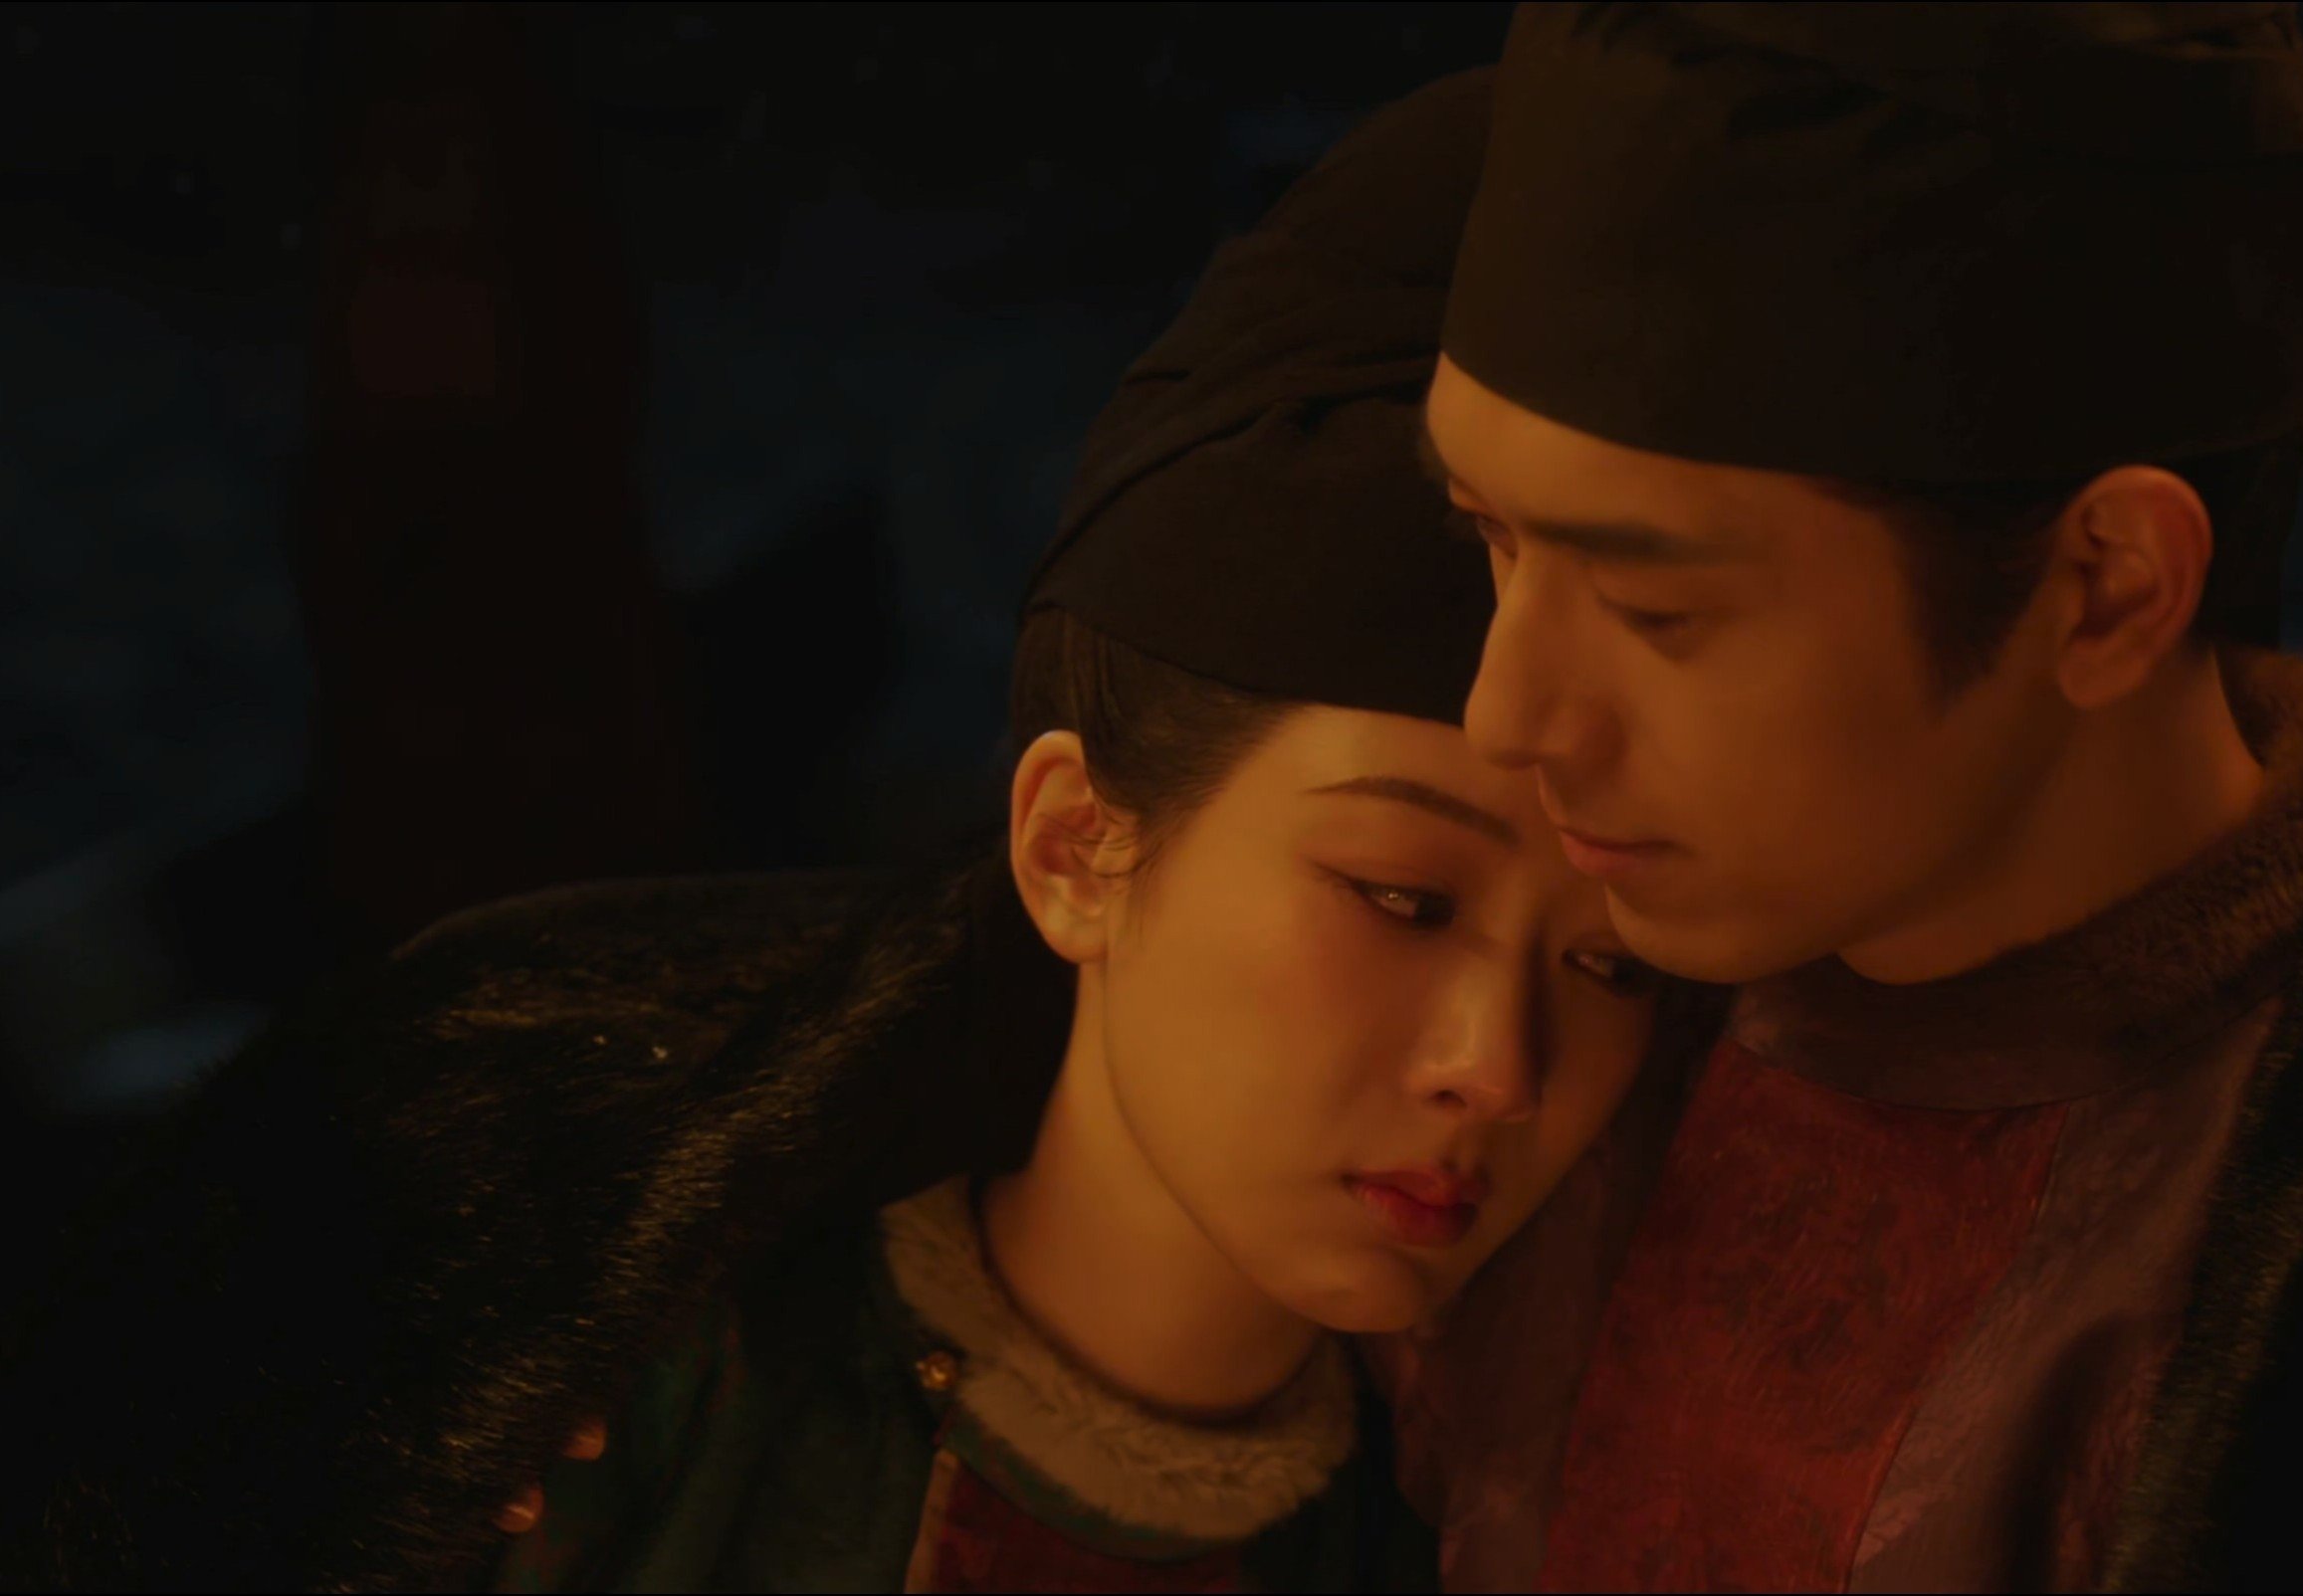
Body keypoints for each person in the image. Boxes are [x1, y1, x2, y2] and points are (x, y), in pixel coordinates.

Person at [3, 69, 1706, 1593]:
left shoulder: (1486, 1529)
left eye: (1611, 963)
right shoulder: (581, 1420)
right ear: (1078, 845)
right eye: (1400, 896)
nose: (1501, 1065)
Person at [1384, 5, 2303, 1591]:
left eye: (1657, 611)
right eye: (1491, 539)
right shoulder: (1545, 1012)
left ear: (2106, 588)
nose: (1506, 714)